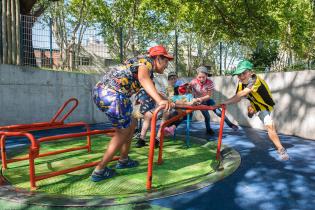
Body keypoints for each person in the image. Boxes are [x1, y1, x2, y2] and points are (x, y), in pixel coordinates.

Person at [91, 45, 175, 181]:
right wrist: (160, 101)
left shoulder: (146, 68)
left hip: (107, 92)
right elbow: (143, 79)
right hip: (112, 93)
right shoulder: (145, 62)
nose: (167, 66)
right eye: (166, 61)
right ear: (158, 58)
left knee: (130, 125)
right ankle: (99, 170)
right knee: (122, 131)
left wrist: (169, 101)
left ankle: (123, 160)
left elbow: (151, 88)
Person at [220, 60, 289, 161]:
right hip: (257, 106)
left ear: (250, 72)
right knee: (269, 125)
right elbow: (238, 98)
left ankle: (280, 148)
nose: (241, 76)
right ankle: (280, 148)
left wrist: (225, 102)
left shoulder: (255, 80)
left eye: (243, 73)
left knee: (269, 125)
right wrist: (226, 102)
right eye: (239, 74)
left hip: (265, 106)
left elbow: (243, 93)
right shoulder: (240, 84)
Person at [189, 66, 239, 135]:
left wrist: (201, 99)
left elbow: (209, 95)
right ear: (196, 76)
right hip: (199, 102)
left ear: (206, 75)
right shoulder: (193, 82)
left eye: (203, 77)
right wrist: (192, 97)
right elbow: (188, 90)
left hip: (207, 99)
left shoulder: (210, 83)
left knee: (219, 112)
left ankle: (230, 124)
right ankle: (208, 129)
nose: (201, 79)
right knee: (207, 116)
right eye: (199, 77)